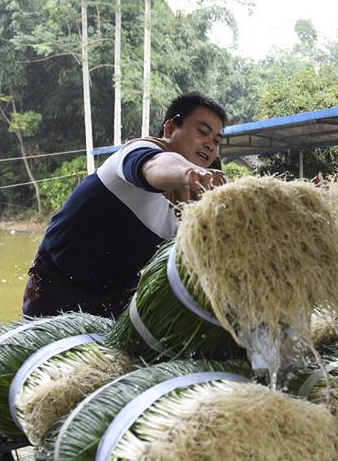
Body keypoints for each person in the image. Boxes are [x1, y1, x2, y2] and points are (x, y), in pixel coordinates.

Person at [22, 92, 228, 318]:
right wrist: (192, 173)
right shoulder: (139, 152)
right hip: (56, 290)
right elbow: (156, 166)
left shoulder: (194, 204)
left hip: (114, 303)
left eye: (216, 141)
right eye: (203, 132)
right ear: (170, 129)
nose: (210, 145)